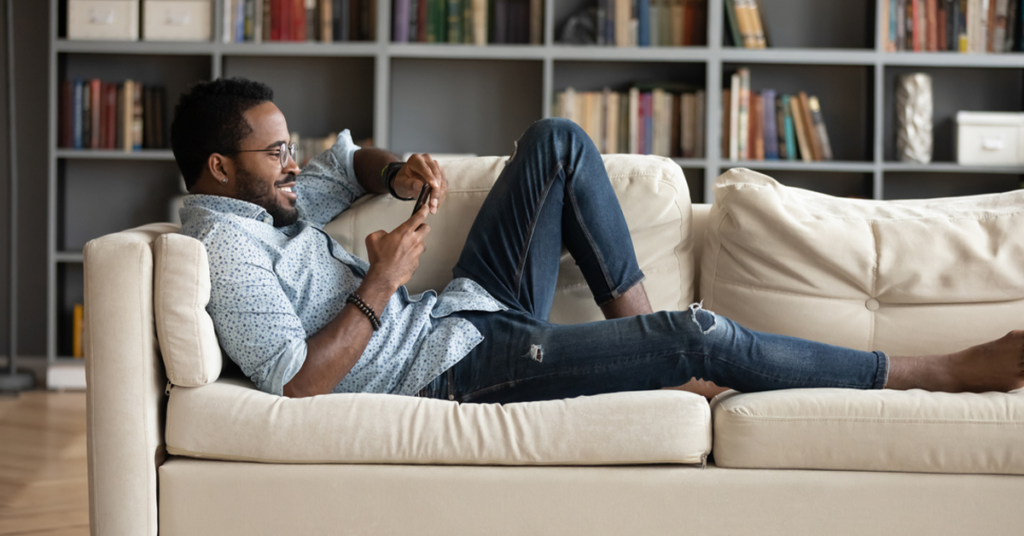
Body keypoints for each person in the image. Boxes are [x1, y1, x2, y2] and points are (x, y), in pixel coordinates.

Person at [172, 77, 1024, 403]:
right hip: (451, 369)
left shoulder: (274, 203)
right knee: (702, 332)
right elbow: (292, 381)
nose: (293, 163)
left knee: (557, 141)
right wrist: (381, 281)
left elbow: (344, 162)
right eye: (274, 151)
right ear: (218, 167)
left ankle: (653, 354)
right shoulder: (230, 252)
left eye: (287, 146)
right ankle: (938, 372)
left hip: (461, 311)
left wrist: (394, 174)